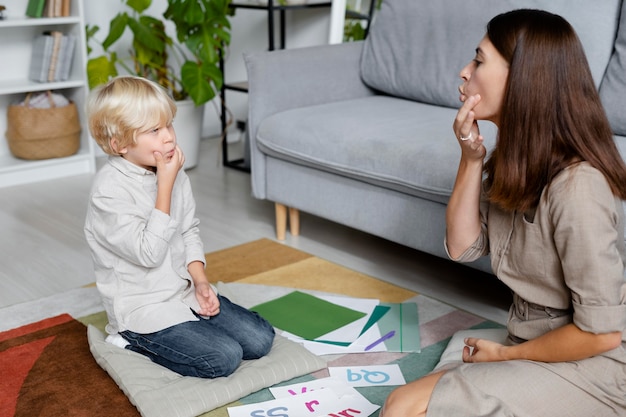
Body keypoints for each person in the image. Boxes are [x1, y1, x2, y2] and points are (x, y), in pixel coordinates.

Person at [381, 9, 626, 417]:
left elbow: (602, 335)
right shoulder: (517, 162)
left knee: (405, 406)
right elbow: (463, 247)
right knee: (413, 395)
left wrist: (504, 357)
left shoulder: (577, 187)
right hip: (533, 338)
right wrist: (471, 159)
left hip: (593, 364)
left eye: (478, 60)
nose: (464, 71)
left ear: (522, 78)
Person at [84, 76, 275, 378]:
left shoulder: (171, 168)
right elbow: (149, 253)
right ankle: (132, 342)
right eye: (154, 130)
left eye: (168, 125)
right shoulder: (109, 192)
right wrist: (165, 184)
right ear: (118, 144)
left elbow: (188, 229)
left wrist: (200, 282)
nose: (169, 137)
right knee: (224, 358)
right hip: (143, 310)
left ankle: (194, 318)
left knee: (260, 339)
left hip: (182, 292)